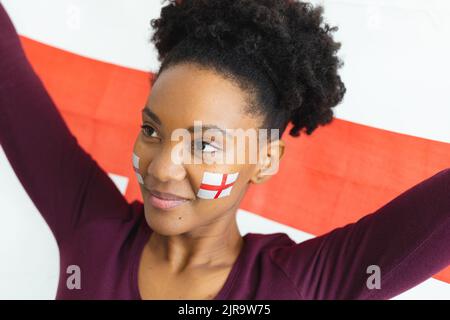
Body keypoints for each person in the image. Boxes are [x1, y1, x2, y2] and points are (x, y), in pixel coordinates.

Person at [0, 0, 448, 300]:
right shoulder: (94, 232)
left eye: (204, 144)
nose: (161, 168)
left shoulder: (297, 285)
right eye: (152, 130)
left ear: (265, 159)